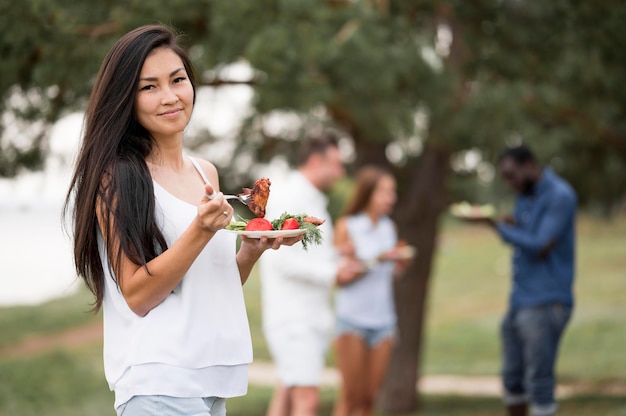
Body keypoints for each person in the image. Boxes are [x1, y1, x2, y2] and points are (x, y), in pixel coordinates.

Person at [63, 24, 300, 416]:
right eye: (149, 87)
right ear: (127, 98)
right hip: (158, 383)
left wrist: (250, 252)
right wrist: (201, 230)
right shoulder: (118, 177)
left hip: (207, 382)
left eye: (178, 80)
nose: (170, 96)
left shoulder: (205, 173)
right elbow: (138, 295)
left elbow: (206, 284)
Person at [258, 132, 363, 416]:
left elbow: (309, 254)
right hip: (294, 317)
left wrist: (340, 256)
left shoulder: (314, 198)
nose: (340, 172)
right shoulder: (291, 195)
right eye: (337, 164)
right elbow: (278, 257)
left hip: (310, 315)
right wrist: (334, 274)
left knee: (287, 392)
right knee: (307, 400)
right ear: (317, 161)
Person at [473, 145, 577, 416]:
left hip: (546, 300)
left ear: (530, 165)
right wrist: (510, 223)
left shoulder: (560, 195)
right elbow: (527, 231)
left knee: (539, 381)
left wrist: (497, 227)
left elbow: (541, 244)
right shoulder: (525, 195)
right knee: (511, 377)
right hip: (520, 298)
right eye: (506, 178)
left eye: (513, 175)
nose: (511, 182)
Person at [332, 166, 411, 416]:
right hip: (352, 320)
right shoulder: (347, 226)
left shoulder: (390, 228)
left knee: (369, 399)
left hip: (384, 323)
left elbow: (389, 275)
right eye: (385, 192)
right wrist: (378, 258)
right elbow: (340, 278)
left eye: (393, 192)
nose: (392, 198)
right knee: (350, 398)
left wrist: (399, 265)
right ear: (368, 194)